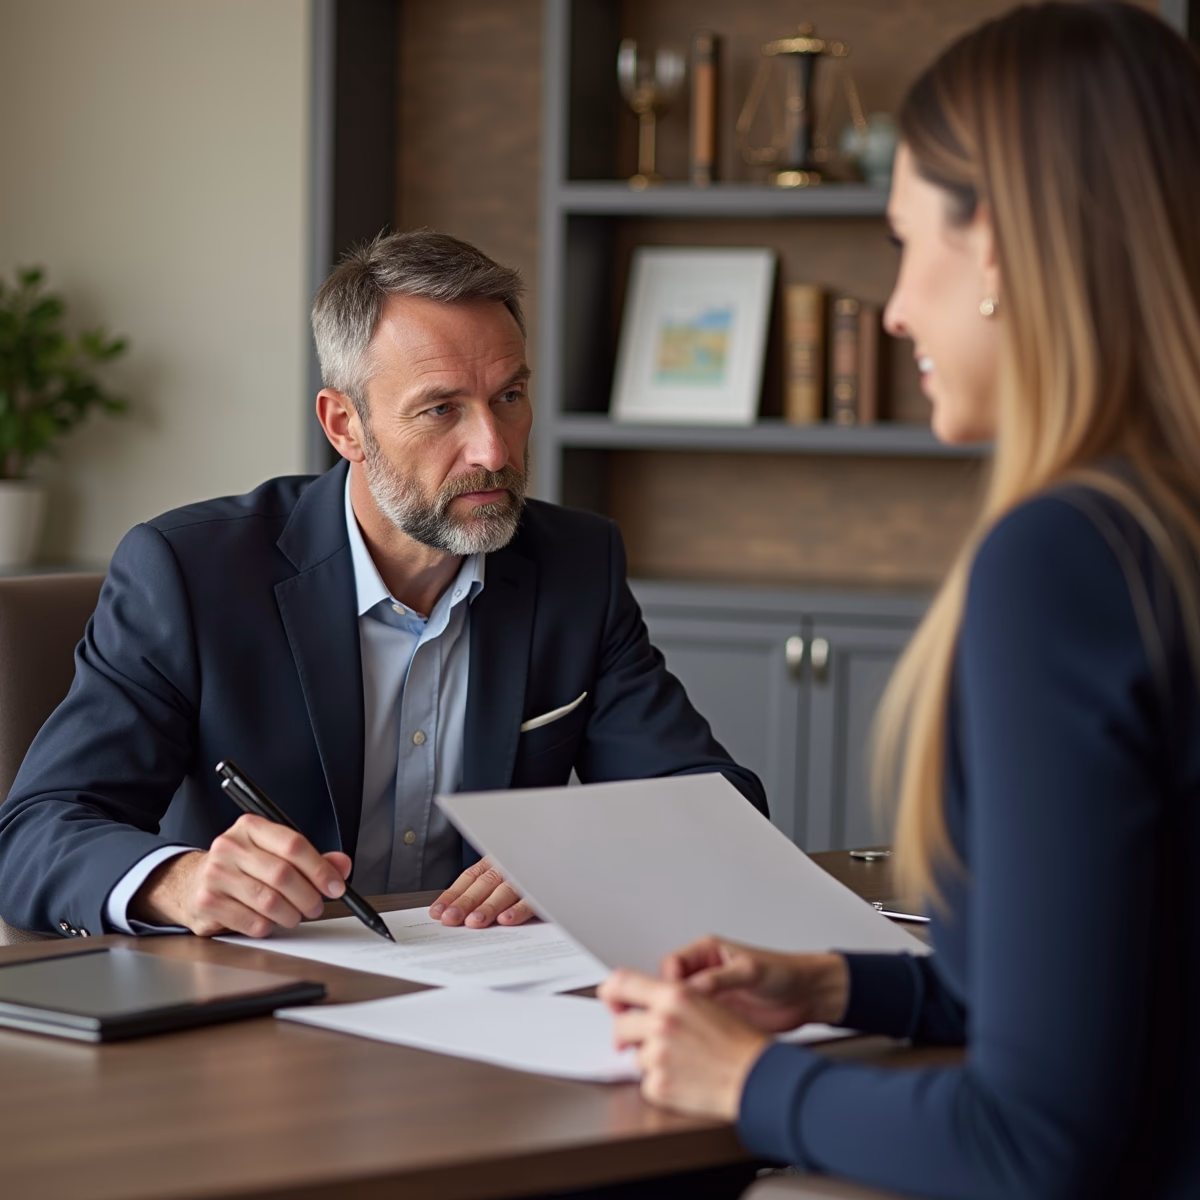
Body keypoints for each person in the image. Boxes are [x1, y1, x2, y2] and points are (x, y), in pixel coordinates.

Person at [599, 5, 1200, 1198]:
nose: (893, 311)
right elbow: (1131, 978)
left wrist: (748, 1083)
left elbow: (1032, 1143)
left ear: (1003, 250)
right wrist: (837, 984)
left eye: (905, 242)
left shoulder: (1067, 560)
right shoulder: (1160, 532)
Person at [0, 231, 765, 940]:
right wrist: (179, 881)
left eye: (509, 396)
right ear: (344, 427)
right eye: (441, 410)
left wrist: (590, 854)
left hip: (488, 996)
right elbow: (36, 830)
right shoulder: (187, 574)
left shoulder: (576, 565)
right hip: (258, 1009)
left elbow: (715, 800)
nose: (492, 449)